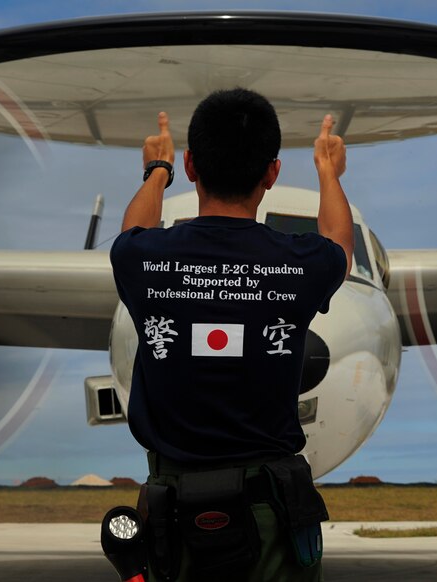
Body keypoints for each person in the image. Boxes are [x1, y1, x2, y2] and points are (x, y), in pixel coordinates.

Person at [109, 88, 353, 581]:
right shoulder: (301, 264)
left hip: (172, 515)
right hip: (271, 514)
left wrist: (158, 170)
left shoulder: (141, 261)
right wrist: (329, 172)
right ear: (272, 172)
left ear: (192, 165)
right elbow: (340, 247)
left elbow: (130, 234)